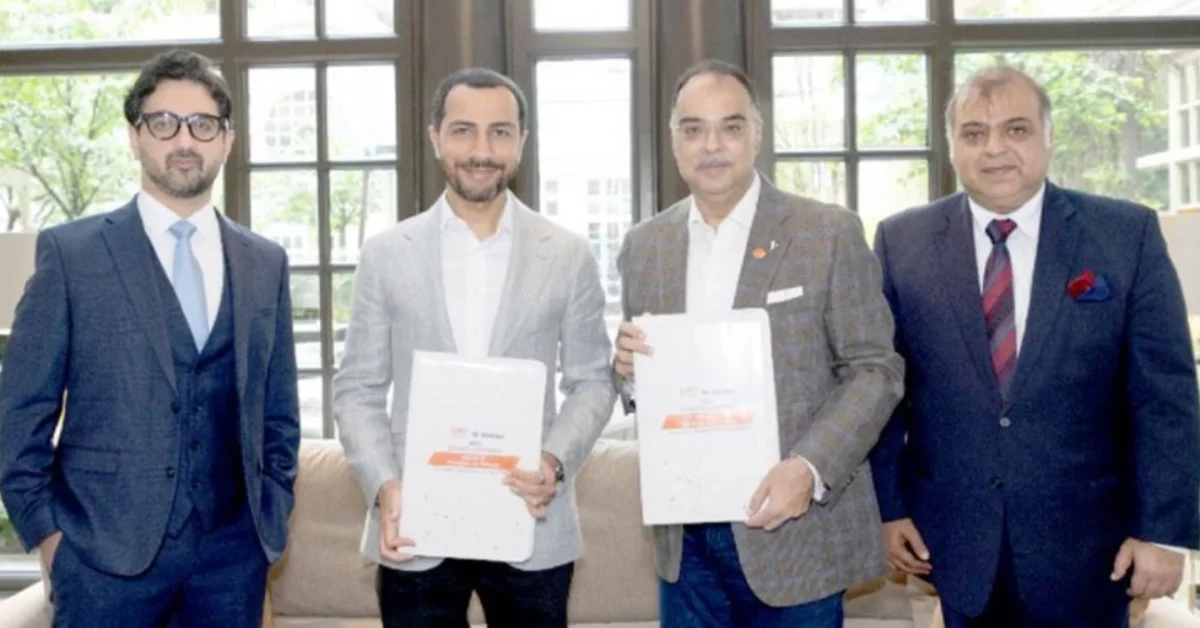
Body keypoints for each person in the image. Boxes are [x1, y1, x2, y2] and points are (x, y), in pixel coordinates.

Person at [869, 65, 1200, 627]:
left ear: (1049, 136)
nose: (994, 149)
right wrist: (887, 508)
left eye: (1016, 129)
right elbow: (882, 389)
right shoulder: (902, 242)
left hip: (1093, 552)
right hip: (954, 545)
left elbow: (1165, 397)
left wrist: (1163, 532)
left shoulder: (1126, 235)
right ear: (952, 145)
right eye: (974, 133)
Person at [0, 49, 301, 627]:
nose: (184, 139)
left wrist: (270, 514)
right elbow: (20, 413)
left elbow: (279, 415)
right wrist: (49, 536)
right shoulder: (73, 254)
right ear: (135, 138)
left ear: (227, 141)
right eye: (163, 123)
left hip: (231, 564)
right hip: (100, 561)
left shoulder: (265, 262)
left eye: (202, 124)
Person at [612, 59, 905, 628]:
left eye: (731, 126)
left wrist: (809, 468)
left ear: (758, 134)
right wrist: (627, 372)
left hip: (795, 533)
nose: (711, 145)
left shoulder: (827, 232)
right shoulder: (644, 247)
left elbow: (876, 369)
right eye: (693, 129)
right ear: (673, 140)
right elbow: (638, 380)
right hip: (684, 543)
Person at [332, 67, 616, 628]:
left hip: (531, 520)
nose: (482, 151)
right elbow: (357, 388)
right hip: (414, 525)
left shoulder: (567, 254)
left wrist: (553, 462)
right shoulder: (386, 254)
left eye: (500, 132)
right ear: (436, 137)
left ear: (521, 142)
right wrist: (384, 485)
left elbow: (592, 381)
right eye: (463, 131)